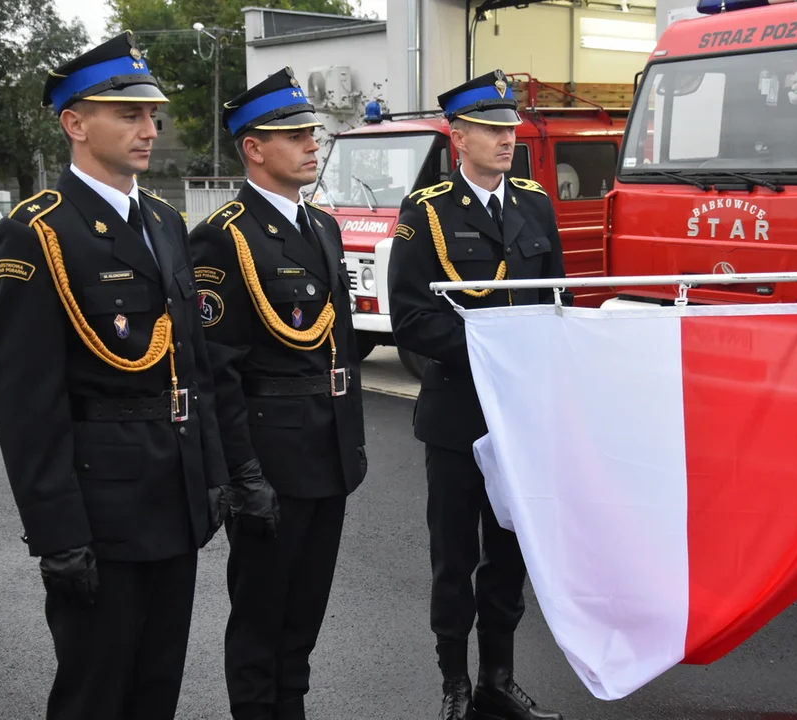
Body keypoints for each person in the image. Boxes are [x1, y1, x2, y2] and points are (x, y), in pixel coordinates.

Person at [0, 31, 229, 720]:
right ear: (74, 123)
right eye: (129, 114)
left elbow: (193, 367)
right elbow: (26, 403)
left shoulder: (165, 221)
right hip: (102, 511)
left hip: (174, 498)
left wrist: (210, 475)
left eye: (152, 115)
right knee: (95, 693)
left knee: (156, 690)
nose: (149, 128)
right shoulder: (37, 235)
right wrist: (58, 535)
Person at [188, 68, 367, 720]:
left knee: (303, 623)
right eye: (293, 135)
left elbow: (337, 347)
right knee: (262, 623)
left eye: (311, 133)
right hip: (271, 464)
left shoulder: (320, 227)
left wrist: (352, 443)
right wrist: (242, 474)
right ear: (254, 148)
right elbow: (216, 372)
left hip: (326, 458)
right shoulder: (223, 237)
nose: (310, 144)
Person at [388, 69, 567, 720]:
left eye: (509, 128)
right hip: (457, 412)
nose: (505, 139)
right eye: (490, 129)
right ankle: (453, 686)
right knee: (454, 560)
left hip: (519, 419)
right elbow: (409, 318)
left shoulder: (533, 204)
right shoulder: (427, 212)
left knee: (507, 556)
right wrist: (497, 352)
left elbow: (556, 300)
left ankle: (497, 679)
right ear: (456, 135)